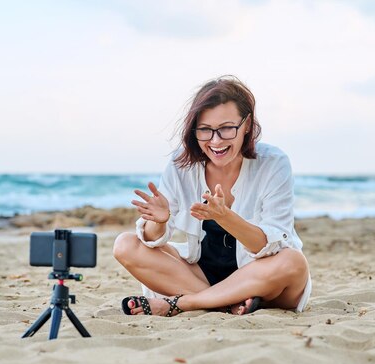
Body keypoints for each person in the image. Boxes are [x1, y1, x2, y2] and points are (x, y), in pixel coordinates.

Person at [113, 75, 311, 316]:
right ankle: (225, 304)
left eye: (227, 128)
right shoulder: (180, 165)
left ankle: (183, 303)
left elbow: (268, 245)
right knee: (125, 244)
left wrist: (225, 218)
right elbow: (154, 239)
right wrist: (159, 222)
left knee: (293, 262)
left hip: (264, 281)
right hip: (201, 276)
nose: (216, 141)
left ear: (247, 124)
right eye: (205, 130)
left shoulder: (273, 163)